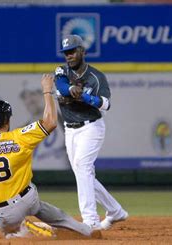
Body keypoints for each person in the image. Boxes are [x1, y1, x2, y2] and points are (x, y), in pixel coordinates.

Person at [0, 74, 100, 239]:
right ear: (8, 120)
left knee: (10, 232)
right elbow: (50, 122)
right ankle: (83, 230)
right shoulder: (20, 136)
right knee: (40, 207)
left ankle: (20, 232)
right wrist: (47, 91)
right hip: (27, 199)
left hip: (2, 214)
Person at [54, 34, 128, 230]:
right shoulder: (62, 71)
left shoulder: (96, 76)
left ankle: (90, 221)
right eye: (66, 52)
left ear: (82, 51)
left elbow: (107, 104)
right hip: (70, 130)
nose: (68, 56)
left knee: (82, 167)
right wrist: (71, 89)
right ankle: (116, 211)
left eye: (72, 51)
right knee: (82, 173)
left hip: (91, 127)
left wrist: (88, 98)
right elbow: (60, 86)